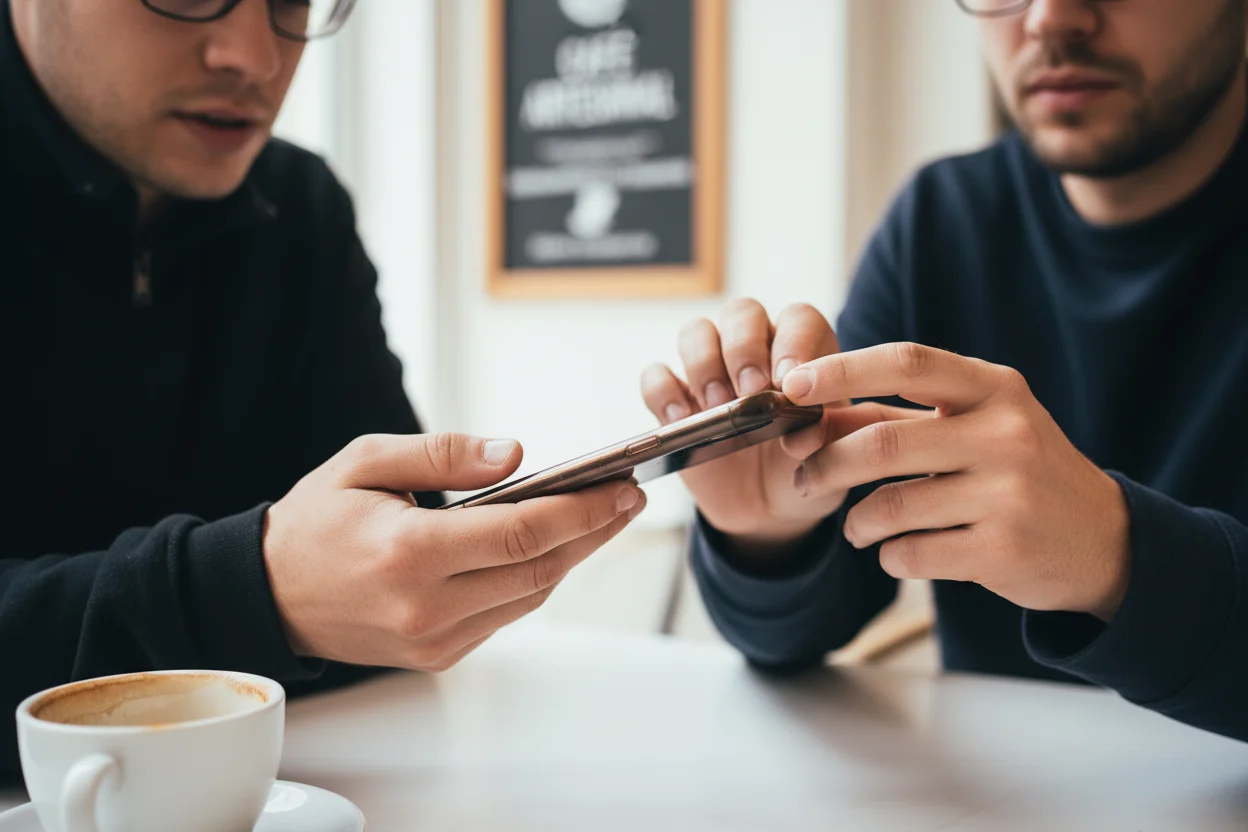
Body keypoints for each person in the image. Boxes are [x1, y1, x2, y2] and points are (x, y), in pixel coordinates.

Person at [0, 0, 646, 775]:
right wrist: (251, 596)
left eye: (292, 1)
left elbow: (382, 598)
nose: (256, 56)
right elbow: (303, 608)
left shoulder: (297, 208)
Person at [643, 0, 1248, 742]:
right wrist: (770, 537)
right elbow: (796, 634)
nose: (1050, 17)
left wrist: (1116, 556)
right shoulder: (943, 218)